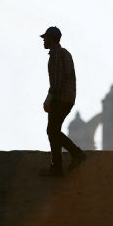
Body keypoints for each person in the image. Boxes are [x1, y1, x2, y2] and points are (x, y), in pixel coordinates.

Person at [39, 26, 86, 177]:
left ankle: (75, 155)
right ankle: (57, 167)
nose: (43, 41)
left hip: (60, 98)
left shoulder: (57, 54)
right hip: (66, 98)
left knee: (52, 131)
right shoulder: (61, 53)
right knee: (53, 131)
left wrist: (49, 98)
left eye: (45, 38)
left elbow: (57, 81)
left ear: (52, 38)